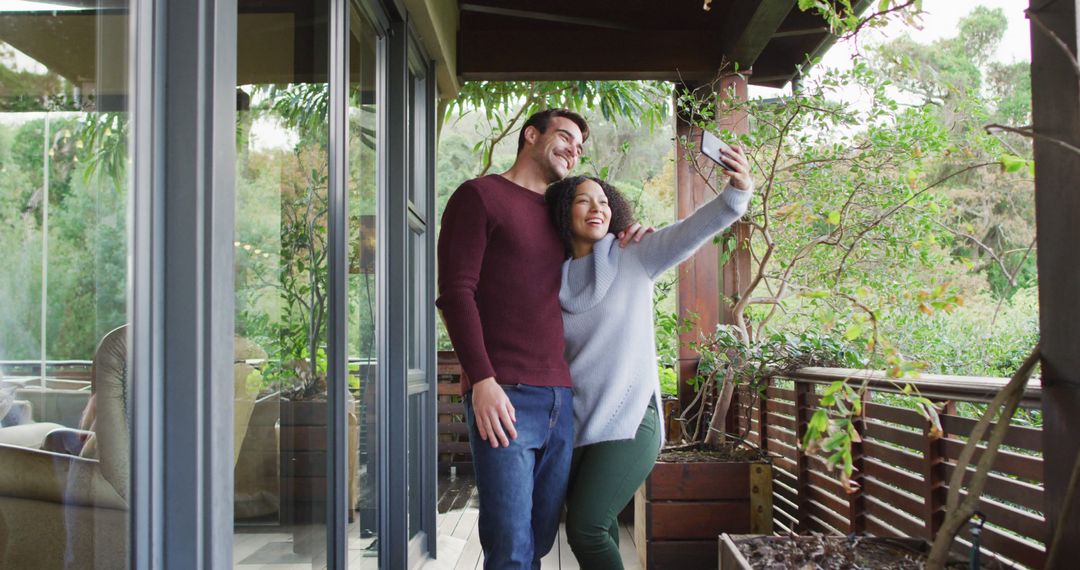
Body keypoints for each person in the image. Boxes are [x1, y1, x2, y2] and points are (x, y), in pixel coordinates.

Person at [436, 108, 648, 569]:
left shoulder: (560, 218)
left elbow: (596, 271)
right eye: (565, 136)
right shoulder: (480, 196)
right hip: (505, 395)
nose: (573, 149)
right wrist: (483, 380)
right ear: (531, 135)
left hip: (562, 402)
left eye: (579, 145)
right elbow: (455, 293)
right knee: (510, 547)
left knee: (538, 542)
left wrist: (629, 234)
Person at [545, 144, 753, 569]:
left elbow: (693, 228)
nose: (596, 208)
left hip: (631, 420)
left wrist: (738, 191)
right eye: (583, 200)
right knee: (593, 531)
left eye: (603, 200)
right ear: (564, 211)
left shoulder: (634, 255)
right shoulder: (551, 280)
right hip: (578, 424)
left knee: (585, 528)